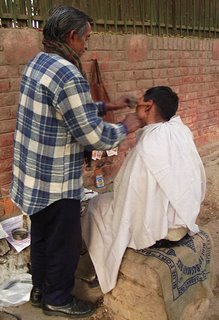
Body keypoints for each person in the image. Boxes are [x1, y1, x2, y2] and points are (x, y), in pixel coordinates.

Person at [10, 5, 141, 318]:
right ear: (72, 36)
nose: (87, 45)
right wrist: (127, 125)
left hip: (32, 174)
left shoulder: (39, 62)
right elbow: (93, 136)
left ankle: (40, 290)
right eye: (86, 39)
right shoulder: (68, 73)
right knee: (65, 243)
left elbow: (67, 110)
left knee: (41, 235)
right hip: (55, 179)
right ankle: (58, 298)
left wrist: (107, 105)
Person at [81, 86, 206, 294]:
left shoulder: (148, 144)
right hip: (184, 218)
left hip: (160, 229)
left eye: (139, 101)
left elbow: (127, 197)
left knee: (94, 205)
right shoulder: (181, 131)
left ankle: (101, 269)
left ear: (148, 106)